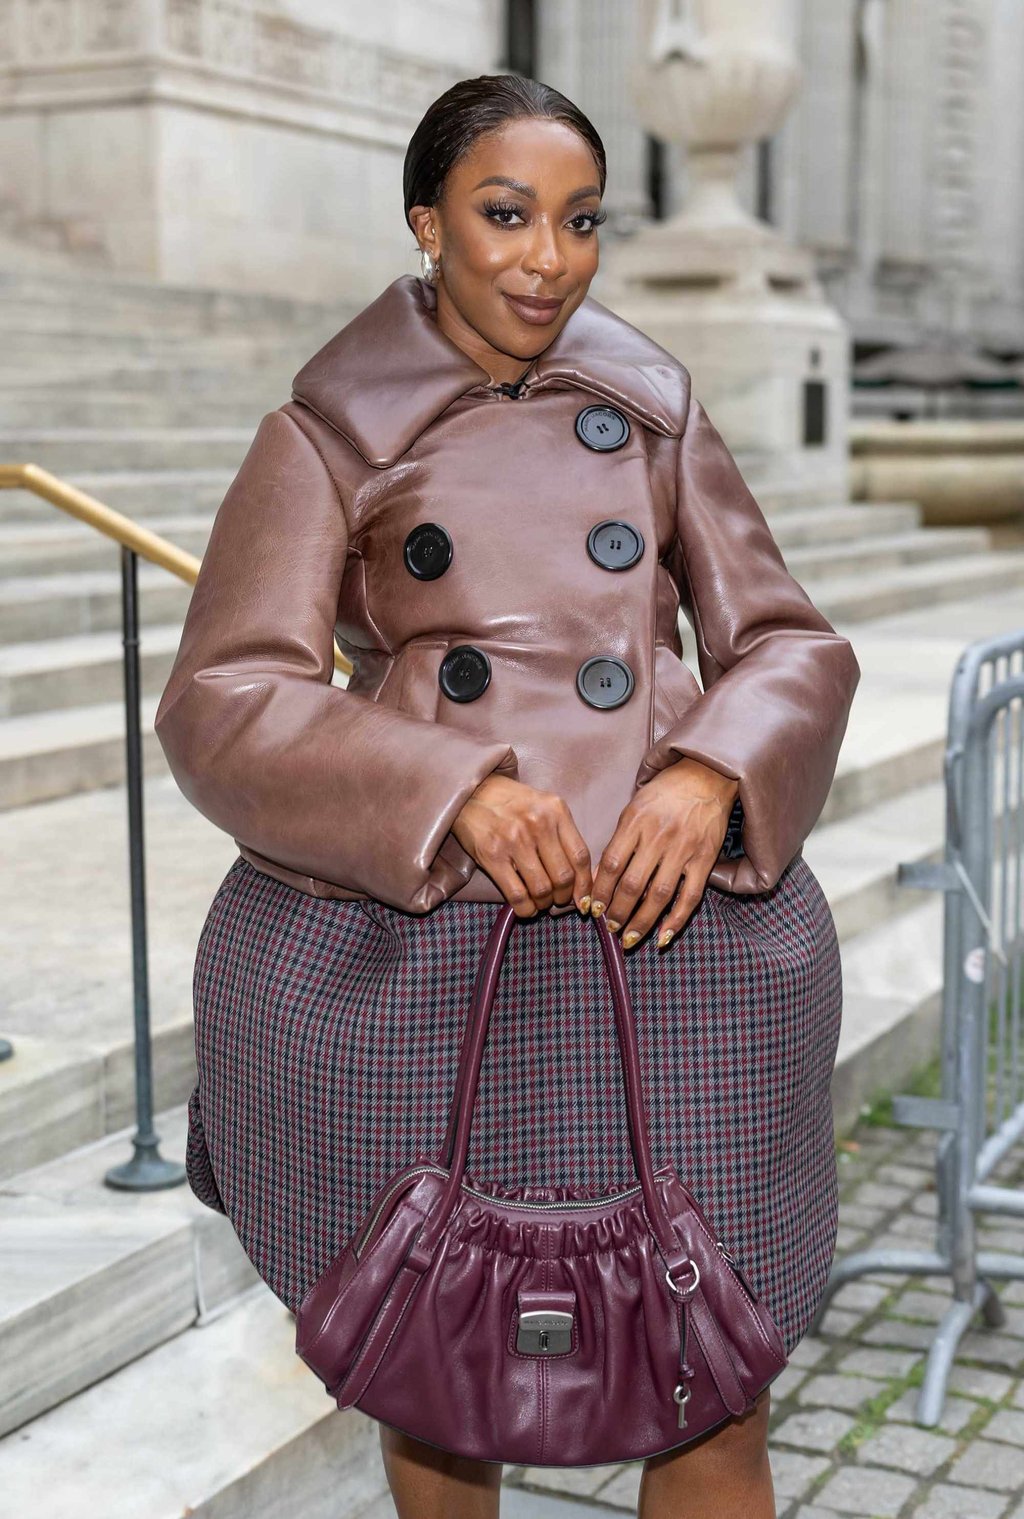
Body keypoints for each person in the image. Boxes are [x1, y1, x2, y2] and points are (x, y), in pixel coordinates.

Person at [156, 72, 860, 1519]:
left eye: (581, 219)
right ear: (429, 224)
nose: (548, 257)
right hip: (432, 952)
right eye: (505, 214)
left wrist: (713, 771)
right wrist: (451, 784)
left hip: (668, 942)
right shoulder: (330, 432)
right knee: (438, 1388)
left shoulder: (652, 410)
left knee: (714, 1392)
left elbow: (786, 640)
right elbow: (222, 699)